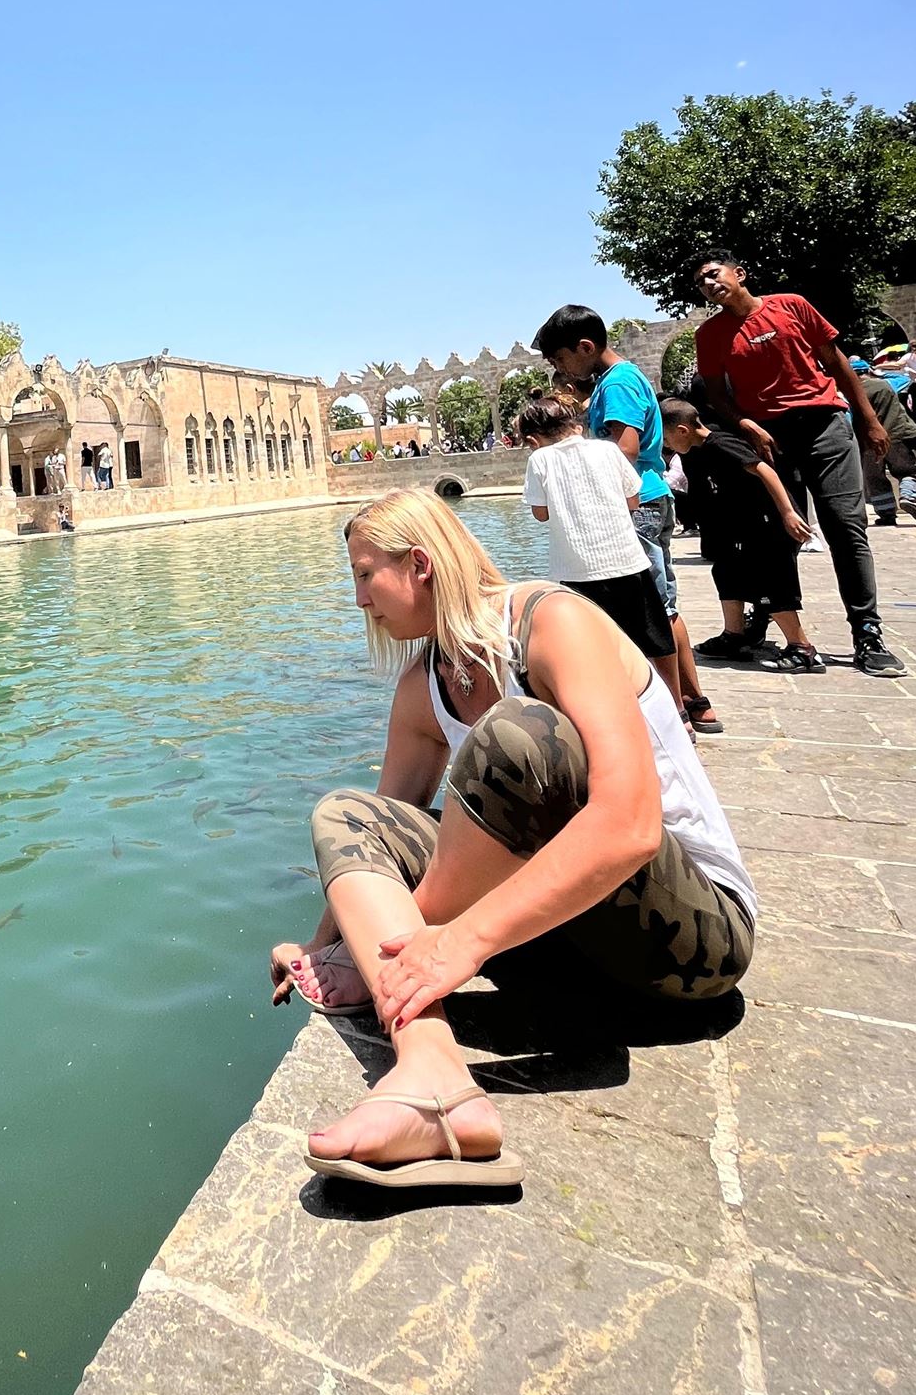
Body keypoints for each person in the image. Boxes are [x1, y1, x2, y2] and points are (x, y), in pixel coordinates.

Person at [270, 491, 755, 1192]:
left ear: (421, 564)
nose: (358, 599)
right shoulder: (423, 687)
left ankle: (415, 1021)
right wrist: (323, 950)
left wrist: (458, 943)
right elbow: (377, 835)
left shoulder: (552, 624)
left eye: (366, 574)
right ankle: (432, 1071)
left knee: (517, 734)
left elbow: (630, 826)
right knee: (345, 812)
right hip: (566, 949)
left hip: (690, 948)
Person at [691, 251, 902, 675]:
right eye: (700, 282)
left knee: (846, 528)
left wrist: (869, 420)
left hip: (824, 426)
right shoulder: (710, 335)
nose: (709, 284)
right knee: (772, 536)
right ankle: (769, 621)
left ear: (739, 273)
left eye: (713, 274)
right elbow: (716, 394)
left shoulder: (792, 306)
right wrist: (745, 424)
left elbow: (836, 362)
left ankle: (867, 633)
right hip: (770, 438)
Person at [533, 305, 720, 733]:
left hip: (637, 504)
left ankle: (676, 707)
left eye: (561, 358)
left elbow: (626, 449)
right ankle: (690, 700)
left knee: (653, 609)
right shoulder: (614, 383)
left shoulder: (617, 383)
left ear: (585, 347)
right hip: (646, 499)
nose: (560, 368)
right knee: (661, 604)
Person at [517, 395, 683, 700]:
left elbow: (540, 514)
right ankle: (677, 706)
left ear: (532, 440)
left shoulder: (539, 459)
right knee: (655, 637)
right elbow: (633, 499)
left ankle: (616, 704)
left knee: (594, 646)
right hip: (627, 561)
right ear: (575, 425)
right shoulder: (608, 450)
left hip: (577, 573)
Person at [659, 397, 823, 670]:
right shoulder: (695, 452)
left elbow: (764, 471)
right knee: (727, 574)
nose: (665, 445)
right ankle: (734, 635)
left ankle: (802, 648)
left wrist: (788, 513)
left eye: (666, 438)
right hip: (738, 528)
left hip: (768, 524)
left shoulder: (722, 444)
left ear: (682, 430)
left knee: (771, 583)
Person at [850, 358, 916, 525]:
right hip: (897, 436)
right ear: (868, 371)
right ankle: (908, 495)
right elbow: (903, 379)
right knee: (908, 470)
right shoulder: (885, 384)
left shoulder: (850, 392)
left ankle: (886, 514)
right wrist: (879, 371)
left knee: (875, 478)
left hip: (868, 442)